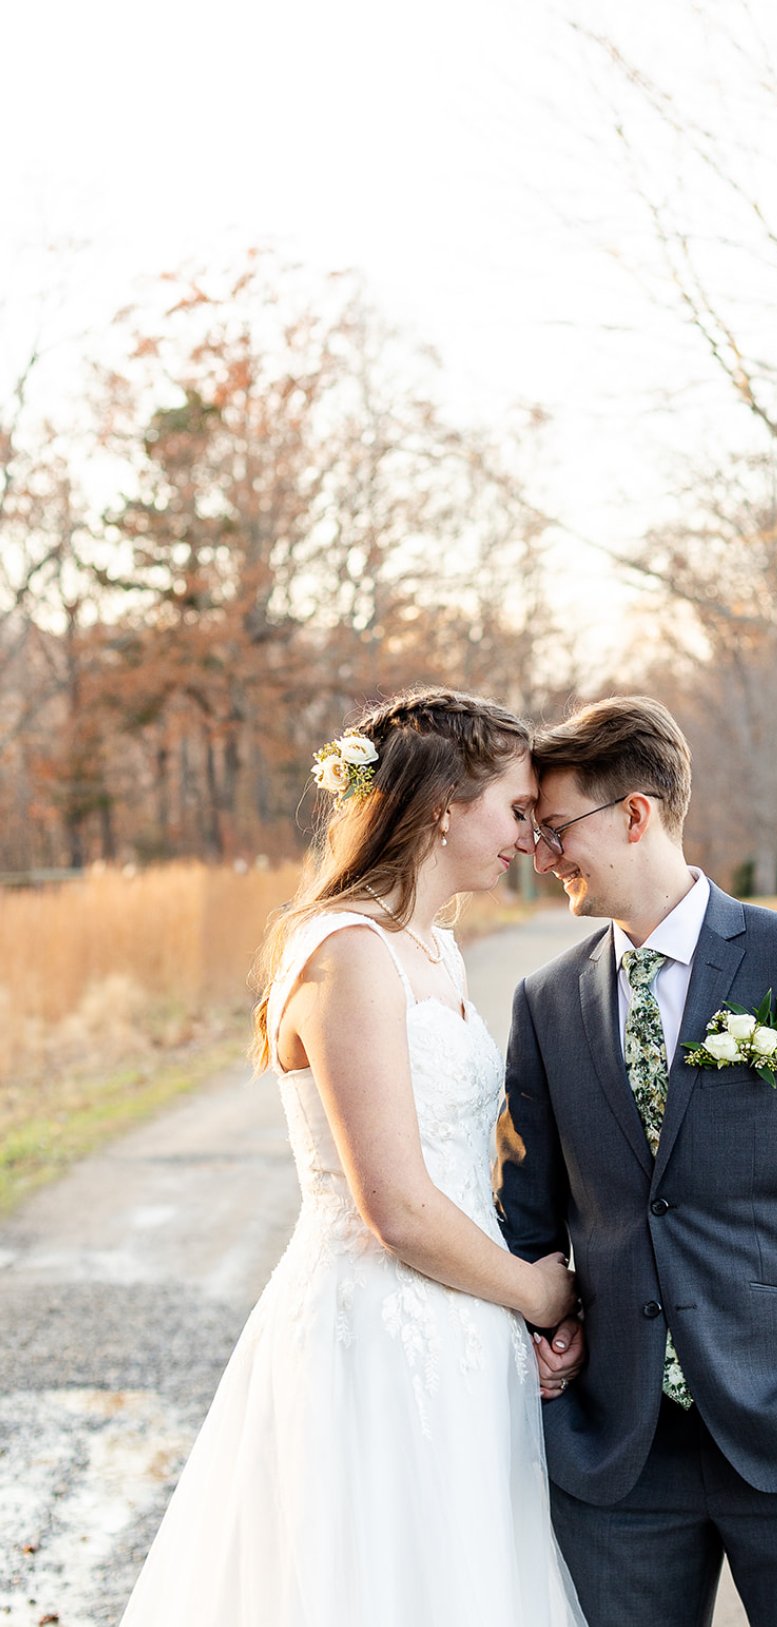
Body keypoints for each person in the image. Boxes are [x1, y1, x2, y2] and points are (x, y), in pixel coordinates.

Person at [119, 686, 586, 1627]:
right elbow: (396, 1206)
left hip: (459, 1329)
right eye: (516, 809)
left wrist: (509, 1318)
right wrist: (544, 1294)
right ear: (447, 805)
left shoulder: (434, 951)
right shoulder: (348, 954)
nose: (528, 836)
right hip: (371, 1333)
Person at [496, 695, 777, 1627]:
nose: (542, 853)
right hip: (619, 1453)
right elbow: (529, 1215)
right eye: (531, 830)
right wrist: (543, 1339)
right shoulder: (546, 1001)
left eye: (556, 825)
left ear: (634, 812)